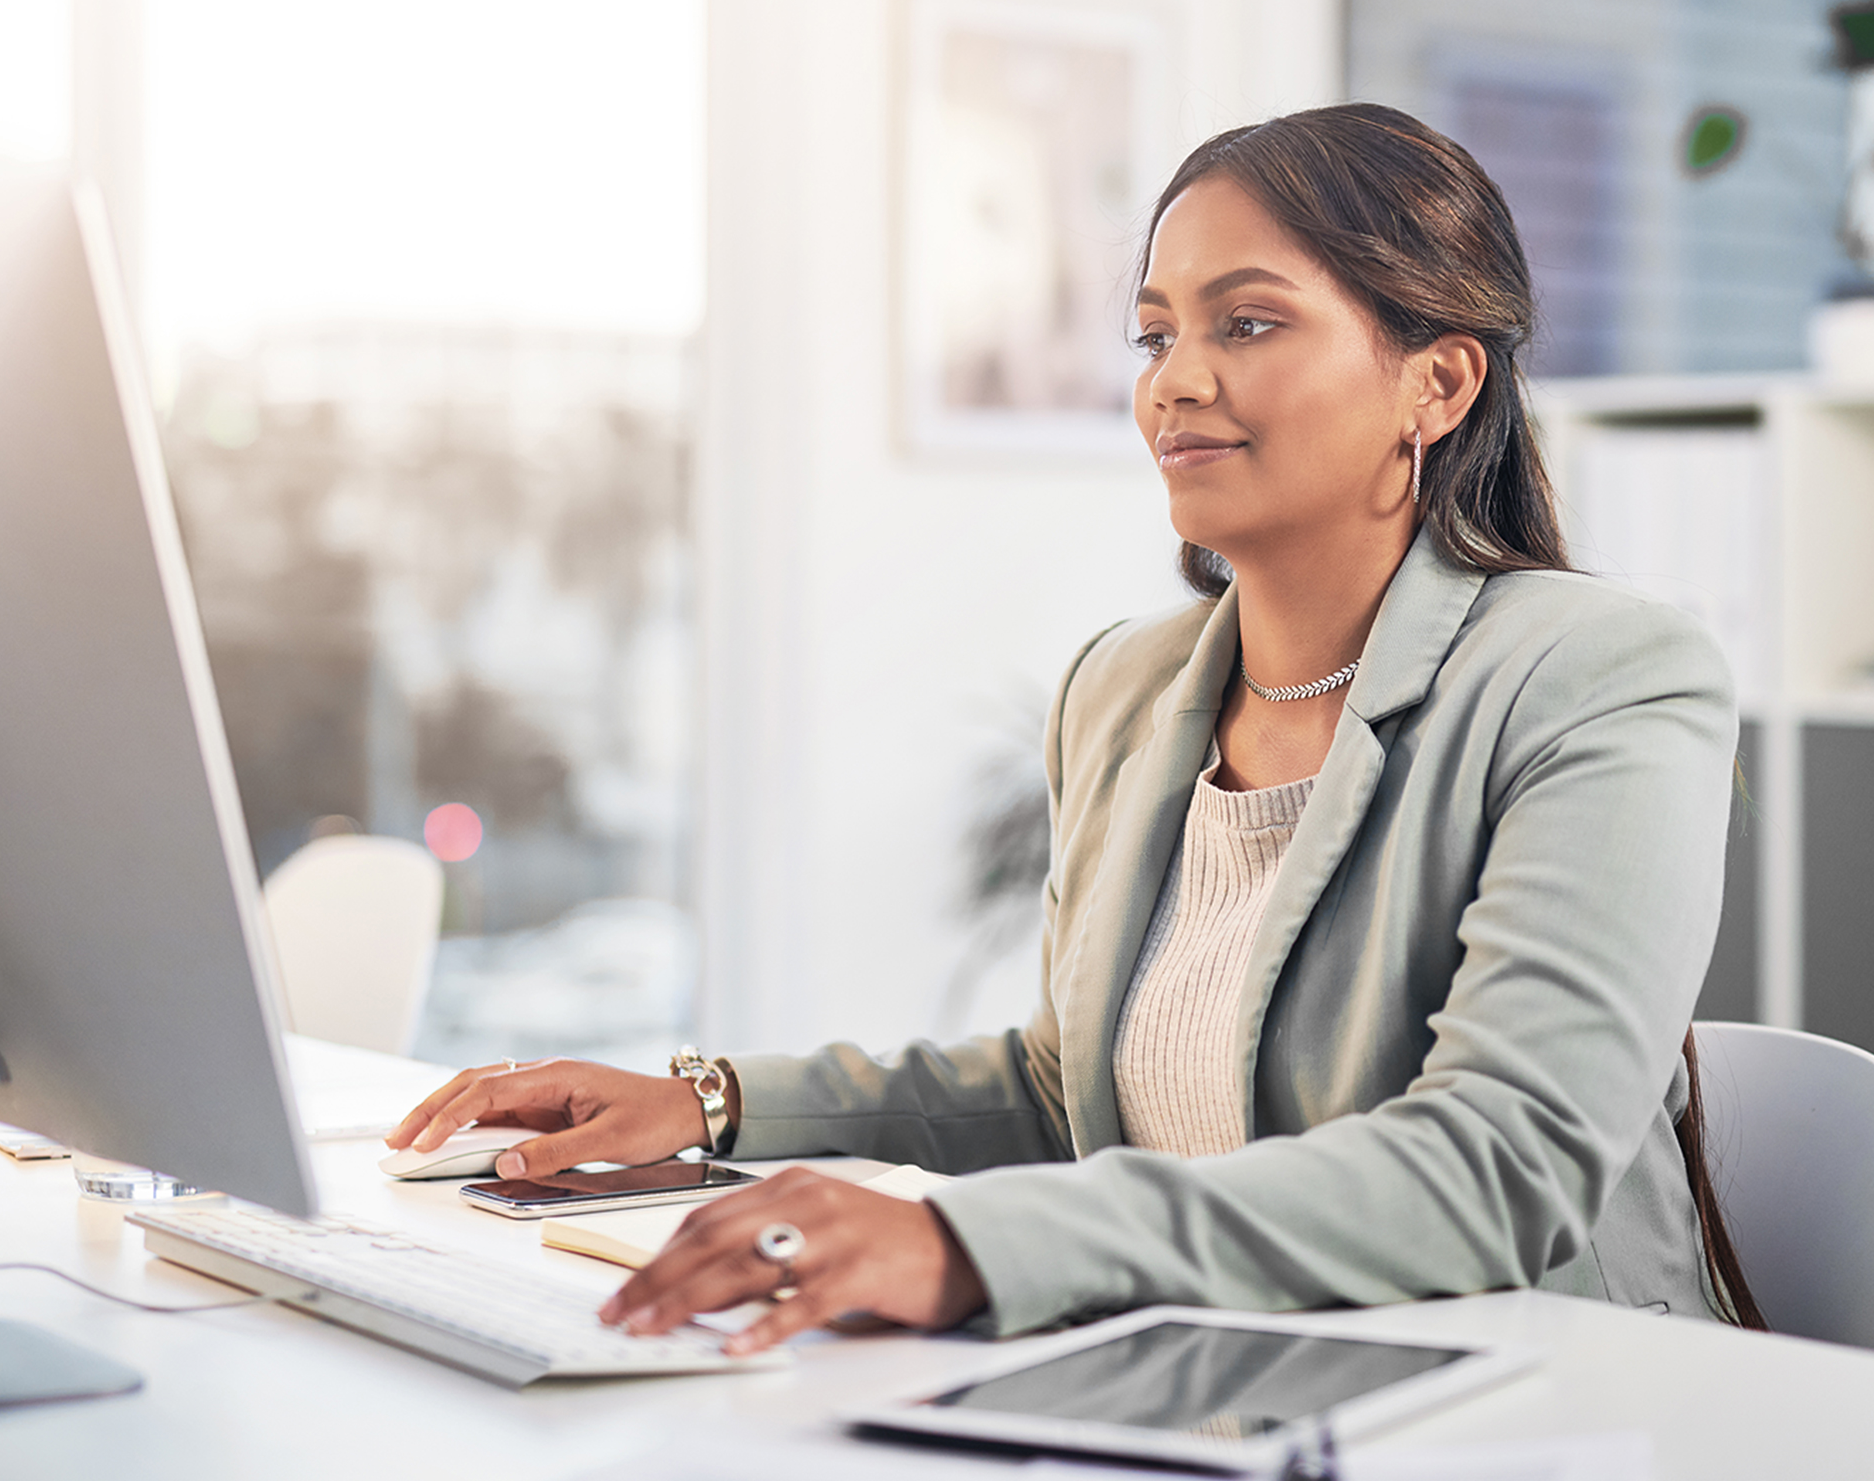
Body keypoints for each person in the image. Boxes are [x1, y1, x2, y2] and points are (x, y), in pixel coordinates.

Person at [389, 103, 1755, 1356]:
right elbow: (1064, 1094)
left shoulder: (1603, 676)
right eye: (1158, 334)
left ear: (1438, 387)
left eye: (1250, 324)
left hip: (1526, 1400)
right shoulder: (1124, 689)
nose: (1175, 382)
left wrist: (974, 1245)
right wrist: (709, 1103)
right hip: (1222, 1373)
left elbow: (1499, 1170)